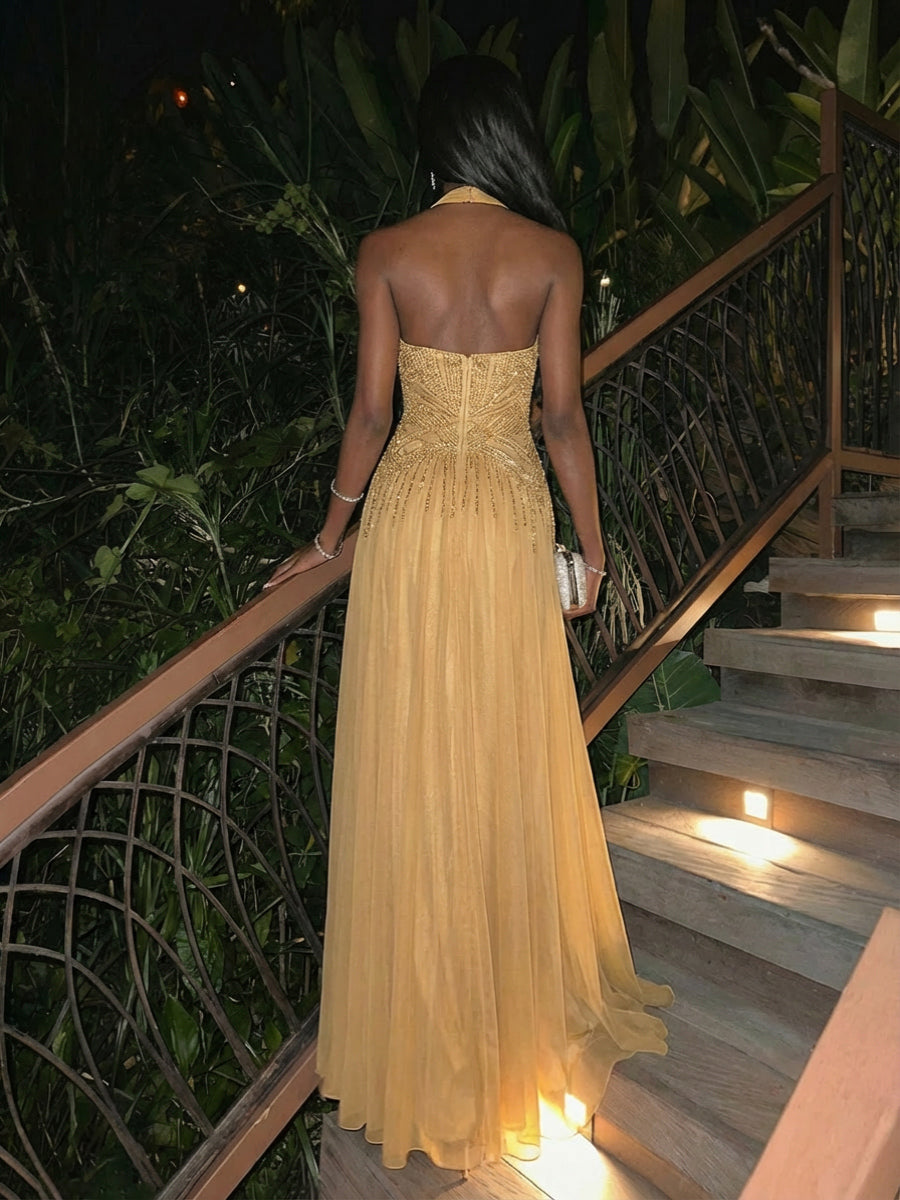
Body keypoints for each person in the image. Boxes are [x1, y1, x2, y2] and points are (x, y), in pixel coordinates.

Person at [265, 54, 673, 1175]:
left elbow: (369, 415)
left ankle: (425, 1016)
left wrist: (327, 539)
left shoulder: (387, 251)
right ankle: (504, 1003)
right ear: (507, 137)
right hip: (502, 518)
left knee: (415, 754)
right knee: (499, 749)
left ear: (436, 144)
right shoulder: (553, 255)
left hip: (407, 521)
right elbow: (563, 420)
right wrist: (593, 549)